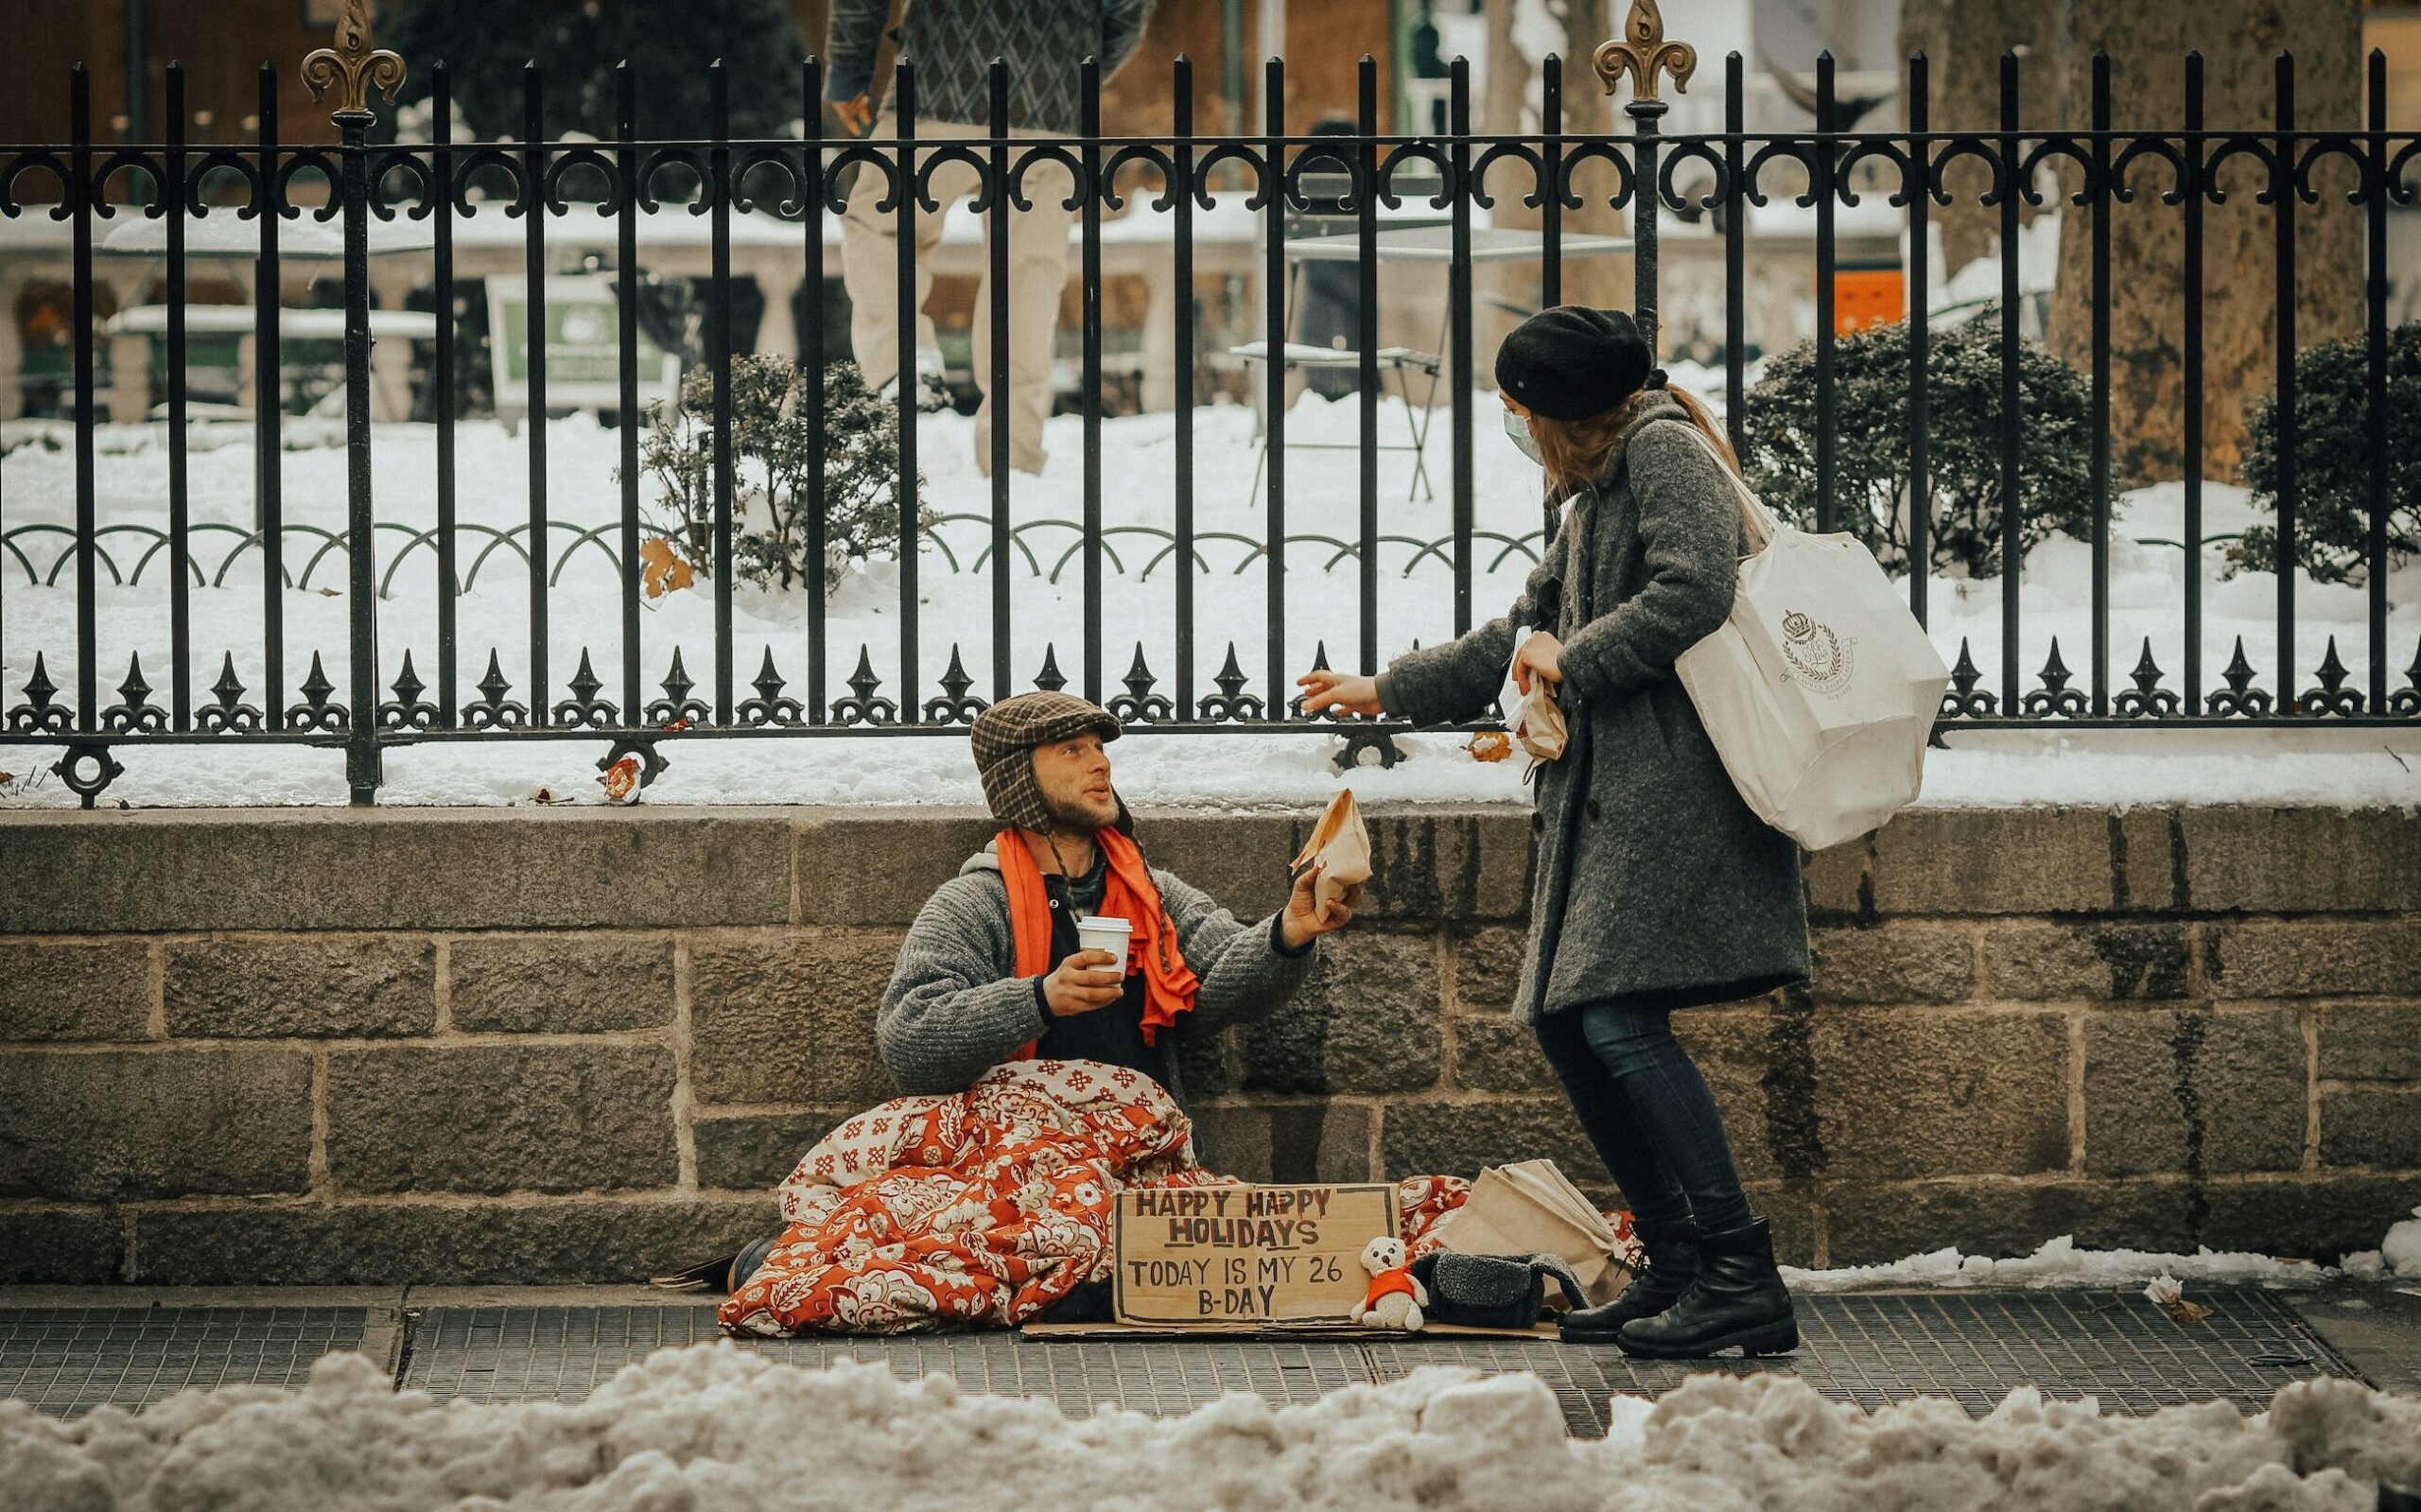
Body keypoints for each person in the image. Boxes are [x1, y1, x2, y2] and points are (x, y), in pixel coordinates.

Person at [1296, 306, 1811, 1361]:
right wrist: (1384, 687)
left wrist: (1574, 662)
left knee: (1614, 1020)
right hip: (1609, 797)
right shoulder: (1597, 487)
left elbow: (1693, 591)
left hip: (1673, 798)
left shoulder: (1663, 454)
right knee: (1568, 1021)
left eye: (1517, 406)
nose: (1510, 421)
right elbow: (1519, 624)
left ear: (1560, 410)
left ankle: (1740, 1277)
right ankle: (1675, 1265)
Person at [876, 690, 1358, 1104]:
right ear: (1019, 779)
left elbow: (1219, 986)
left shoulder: (1151, 891)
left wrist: (1289, 934)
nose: (1100, 762)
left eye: (1098, 747)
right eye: (1070, 750)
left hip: (1144, 1148)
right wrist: (1040, 999)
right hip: (1023, 1156)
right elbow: (908, 1044)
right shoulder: (973, 904)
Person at [825, 0, 1157, 476]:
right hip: (1052, 96)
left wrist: (849, 71)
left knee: (879, 223)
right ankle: (1014, 462)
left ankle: (903, 362)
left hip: (943, 74)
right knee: (1028, 276)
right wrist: (1070, 64)